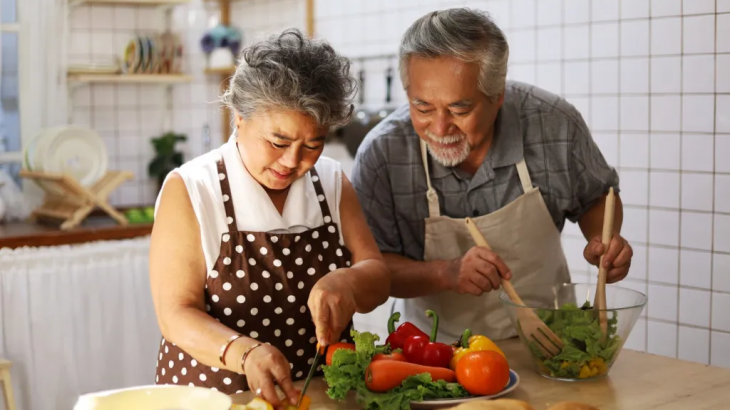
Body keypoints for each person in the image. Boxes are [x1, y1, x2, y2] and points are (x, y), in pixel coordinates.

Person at [351, 8, 633, 343]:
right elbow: (372, 270)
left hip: (549, 344)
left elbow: (596, 197)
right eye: (422, 107)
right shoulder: (382, 154)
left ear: (497, 96)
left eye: (459, 109)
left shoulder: (552, 124)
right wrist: (446, 272)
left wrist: (604, 241)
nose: (440, 128)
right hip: (436, 354)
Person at [149, 29, 390, 407]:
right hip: (216, 399)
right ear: (239, 118)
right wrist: (243, 352)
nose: (293, 161)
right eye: (278, 142)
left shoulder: (330, 181)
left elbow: (377, 275)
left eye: (313, 144)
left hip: (319, 397)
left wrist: (349, 280)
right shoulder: (193, 189)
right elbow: (175, 314)